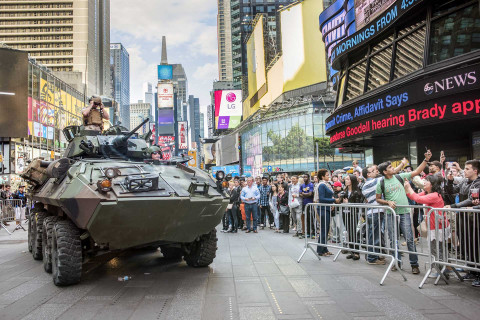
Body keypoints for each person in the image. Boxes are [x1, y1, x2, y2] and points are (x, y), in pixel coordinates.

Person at [375, 150, 432, 274]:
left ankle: (414, 264)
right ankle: (397, 262)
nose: (393, 168)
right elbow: (378, 198)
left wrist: (426, 159)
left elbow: (416, 172)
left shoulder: (399, 177)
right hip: (391, 214)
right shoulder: (381, 183)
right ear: (385, 171)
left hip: (404, 212)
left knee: (409, 239)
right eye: (390, 167)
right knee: (393, 239)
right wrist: (387, 202)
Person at [362, 160, 408, 265]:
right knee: (375, 236)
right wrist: (402, 164)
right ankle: (372, 257)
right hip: (375, 213)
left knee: (373, 235)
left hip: (373, 212)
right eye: (373, 170)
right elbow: (392, 172)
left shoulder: (366, 184)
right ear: (368, 174)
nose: (377, 172)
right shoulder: (374, 182)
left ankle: (373, 255)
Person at [404, 175, 450, 278]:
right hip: (435, 226)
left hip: (437, 227)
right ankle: (444, 269)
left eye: (427, 181)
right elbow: (414, 197)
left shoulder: (434, 195)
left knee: (436, 249)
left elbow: (418, 198)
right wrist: (407, 188)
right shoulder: (428, 193)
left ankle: (442, 271)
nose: (424, 182)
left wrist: (408, 187)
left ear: (432, 184)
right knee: (438, 249)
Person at [445, 159, 480, 286]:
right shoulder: (465, 181)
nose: (464, 171)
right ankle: (471, 269)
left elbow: (471, 200)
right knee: (466, 243)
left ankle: (478, 272)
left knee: (476, 244)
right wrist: (449, 180)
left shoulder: (478, 183)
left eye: (467, 169)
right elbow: (451, 191)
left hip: (474, 219)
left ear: (475, 171)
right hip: (463, 217)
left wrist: (454, 206)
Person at [342, 174, 365, 260]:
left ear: (352, 180)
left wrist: (348, 204)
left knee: (354, 233)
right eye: (345, 179)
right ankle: (352, 251)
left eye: (348, 179)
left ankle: (356, 252)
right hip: (345, 213)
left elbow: (358, 205)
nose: (346, 180)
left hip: (353, 214)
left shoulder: (357, 192)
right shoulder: (345, 190)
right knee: (349, 233)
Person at [317, 169, 339, 257]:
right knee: (324, 229)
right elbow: (322, 199)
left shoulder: (326, 184)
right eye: (327, 175)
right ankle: (321, 250)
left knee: (326, 230)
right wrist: (334, 200)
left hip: (326, 209)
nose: (328, 176)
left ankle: (324, 249)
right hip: (323, 209)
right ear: (322, 176)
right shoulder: (322, 185)